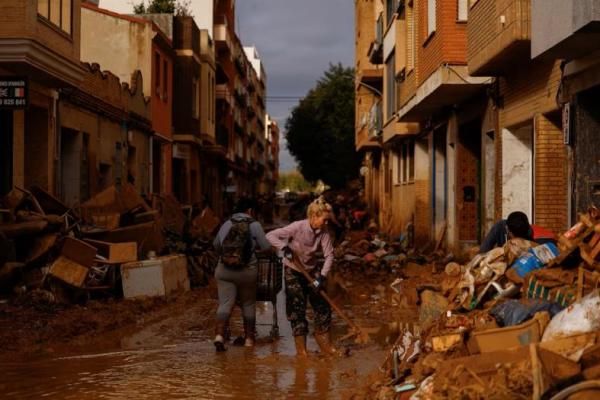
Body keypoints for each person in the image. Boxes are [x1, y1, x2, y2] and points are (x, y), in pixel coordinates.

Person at [266, 196, 337, 357]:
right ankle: (302, 351)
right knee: (297, 309)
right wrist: (285, 248)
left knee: (322, 306)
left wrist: (322, 277)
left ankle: (325, 344)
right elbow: (270, 235)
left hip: (312, 270)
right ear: (313, 216)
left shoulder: (323, 232)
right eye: (324, 220)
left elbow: (330, 256)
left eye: (328, 221)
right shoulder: (297, 227)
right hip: (293, 270)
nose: (326, 224)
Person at [212, 197, 271, 352]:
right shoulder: (255, 225)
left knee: (225, 303)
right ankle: (249, 340)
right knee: (248, 304)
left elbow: (216, 246)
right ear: (250, 211)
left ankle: (219, 336)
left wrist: (229, 257)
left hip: (224, 270)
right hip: (247, 272)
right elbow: (265, 247)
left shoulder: (226, 223)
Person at [479, 211, 556, 253]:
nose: (517, 242)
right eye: (515, 238)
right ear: (508, 230)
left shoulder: (531, 234)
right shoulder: (499, 227)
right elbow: (484, 250)